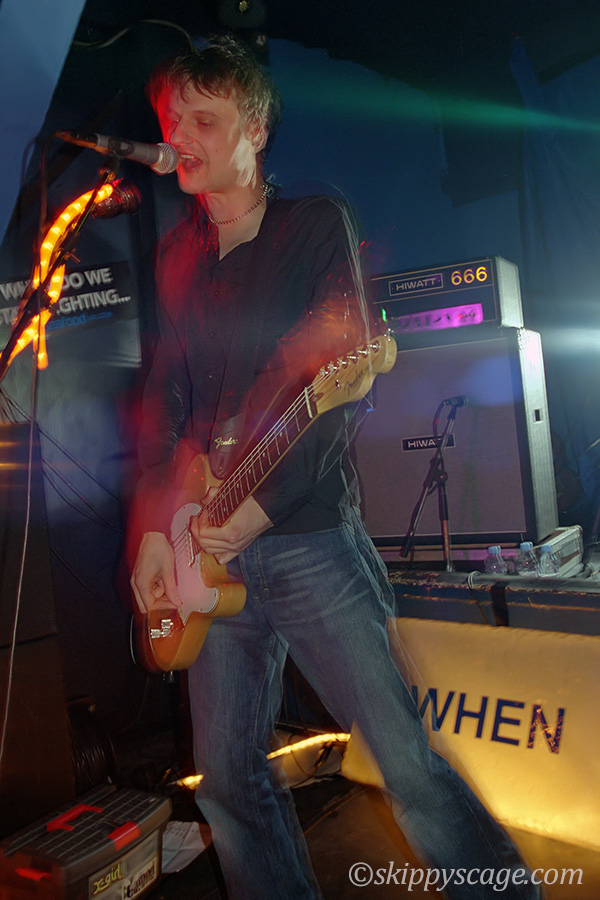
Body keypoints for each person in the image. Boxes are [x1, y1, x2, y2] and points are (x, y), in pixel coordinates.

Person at [129, 35, 542, 900]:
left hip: (310, 539)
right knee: (227, 782)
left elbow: (335, 389)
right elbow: (165, 405)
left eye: (204, 119)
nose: (181, 137)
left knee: (405, 764)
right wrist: (154, 535)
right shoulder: (174, 259)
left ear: (256, 128)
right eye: (172, 120)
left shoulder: (314, 224)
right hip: (207, 552)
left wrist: (261, 507)